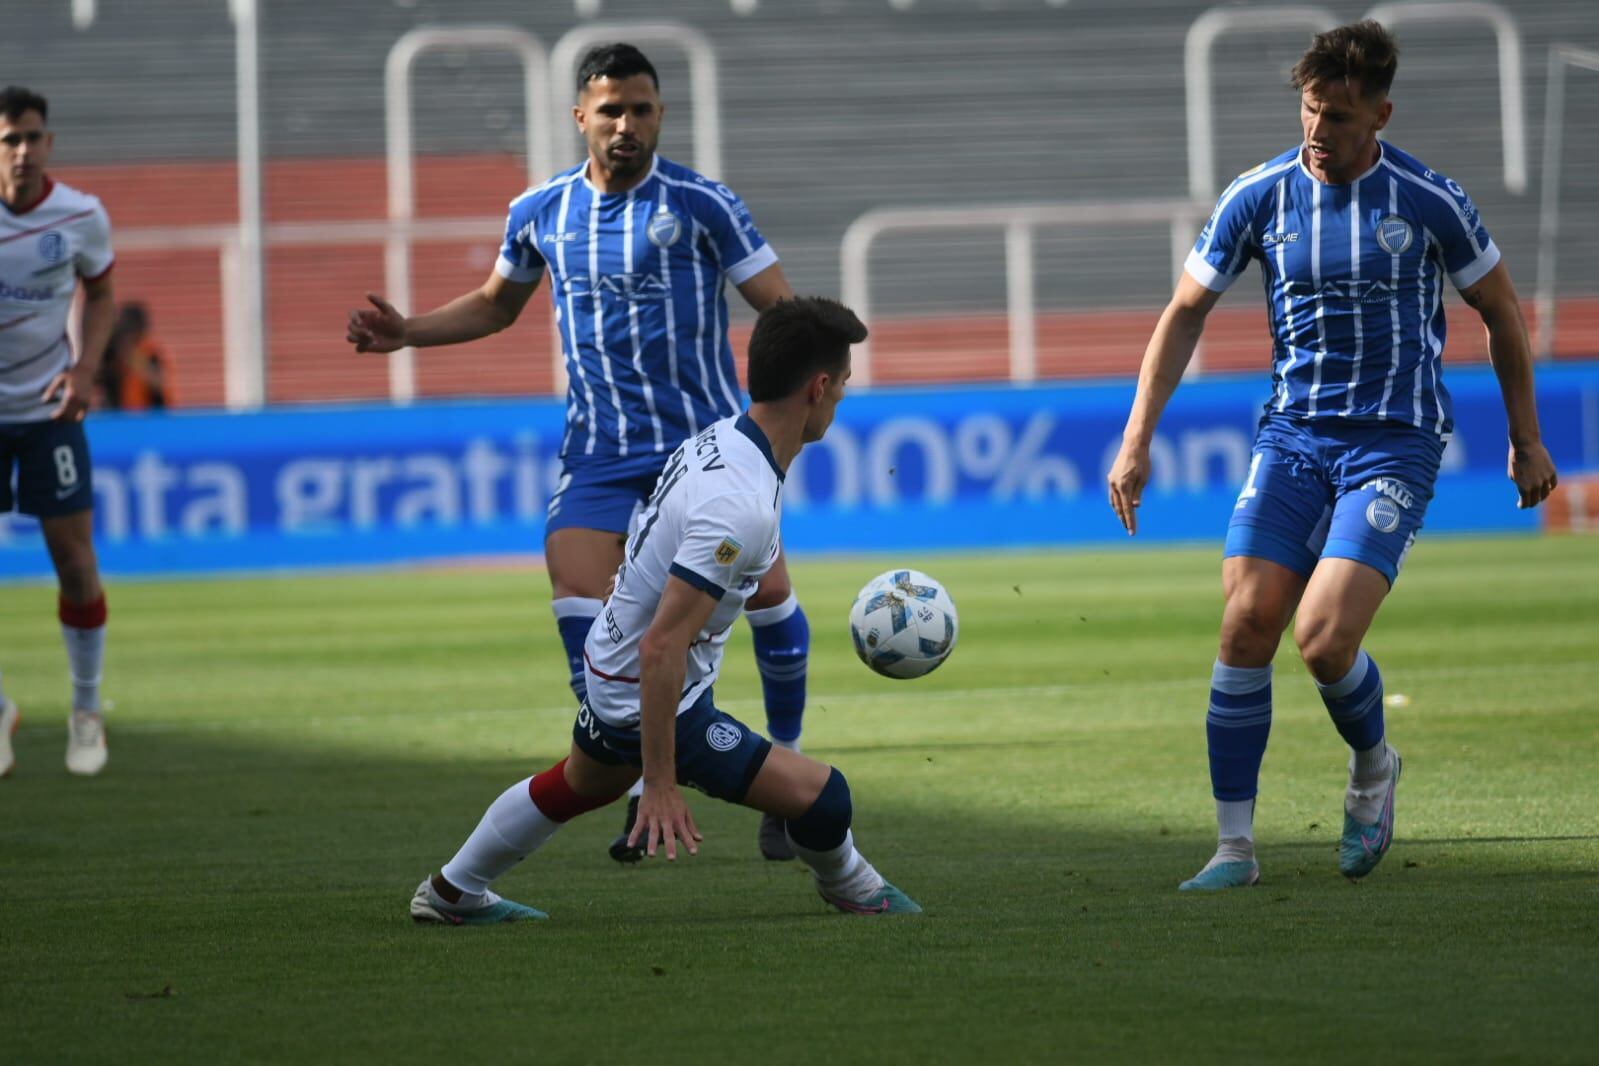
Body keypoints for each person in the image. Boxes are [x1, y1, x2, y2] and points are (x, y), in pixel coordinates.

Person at [1106, 22, 1558, 891]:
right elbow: (1184, 313)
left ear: (1379, 114)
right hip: (1294, 436)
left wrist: (1525, 437)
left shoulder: (1429, 200)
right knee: (1244, 623)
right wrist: (1135, 442)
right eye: (1311, 111)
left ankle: (1372, 767)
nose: (1319, 131)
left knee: (1319, 640)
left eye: (1340, 117)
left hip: (1393, 439)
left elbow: (1500, 312)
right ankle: (1233, 849)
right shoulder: (1261, 194)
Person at [347, 43, 811, 864]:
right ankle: (630, 767)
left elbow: (779, 312)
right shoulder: (539, 211)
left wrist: (794, 406)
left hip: (699, 449)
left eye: (640, 109)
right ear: (580, 117)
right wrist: (408, 331)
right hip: (598, 450)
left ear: (659, 114)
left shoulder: (704, 206)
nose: (625, 125)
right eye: (610, 110)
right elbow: (496, 308)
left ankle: (784, 758)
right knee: (576, 587)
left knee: (769, 591)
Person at [409, 297, 919, 924]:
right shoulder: (741, 507)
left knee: (575, 784)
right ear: (818, 387)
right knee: (823, 799)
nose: (841, 398)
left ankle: (452, 891)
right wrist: (659, 781)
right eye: (842, 384)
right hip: (647, 692)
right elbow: (662, 646)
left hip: (609, 659)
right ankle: (854, 887)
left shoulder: (724, 437)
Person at [0, 86, 116, 778]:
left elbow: (100, 292)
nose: (20, 151)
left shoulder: (80, 215)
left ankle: (85, 707)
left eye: (31, 138)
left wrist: (86, 368)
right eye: (8, 140)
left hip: (49, 412)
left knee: (74, 563)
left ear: (49, 143)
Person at [98, 302, 175, 411]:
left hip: (148, 418)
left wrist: (132, 358)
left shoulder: (150, 353)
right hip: (117, 417)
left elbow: (160, 384)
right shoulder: (113, 353)